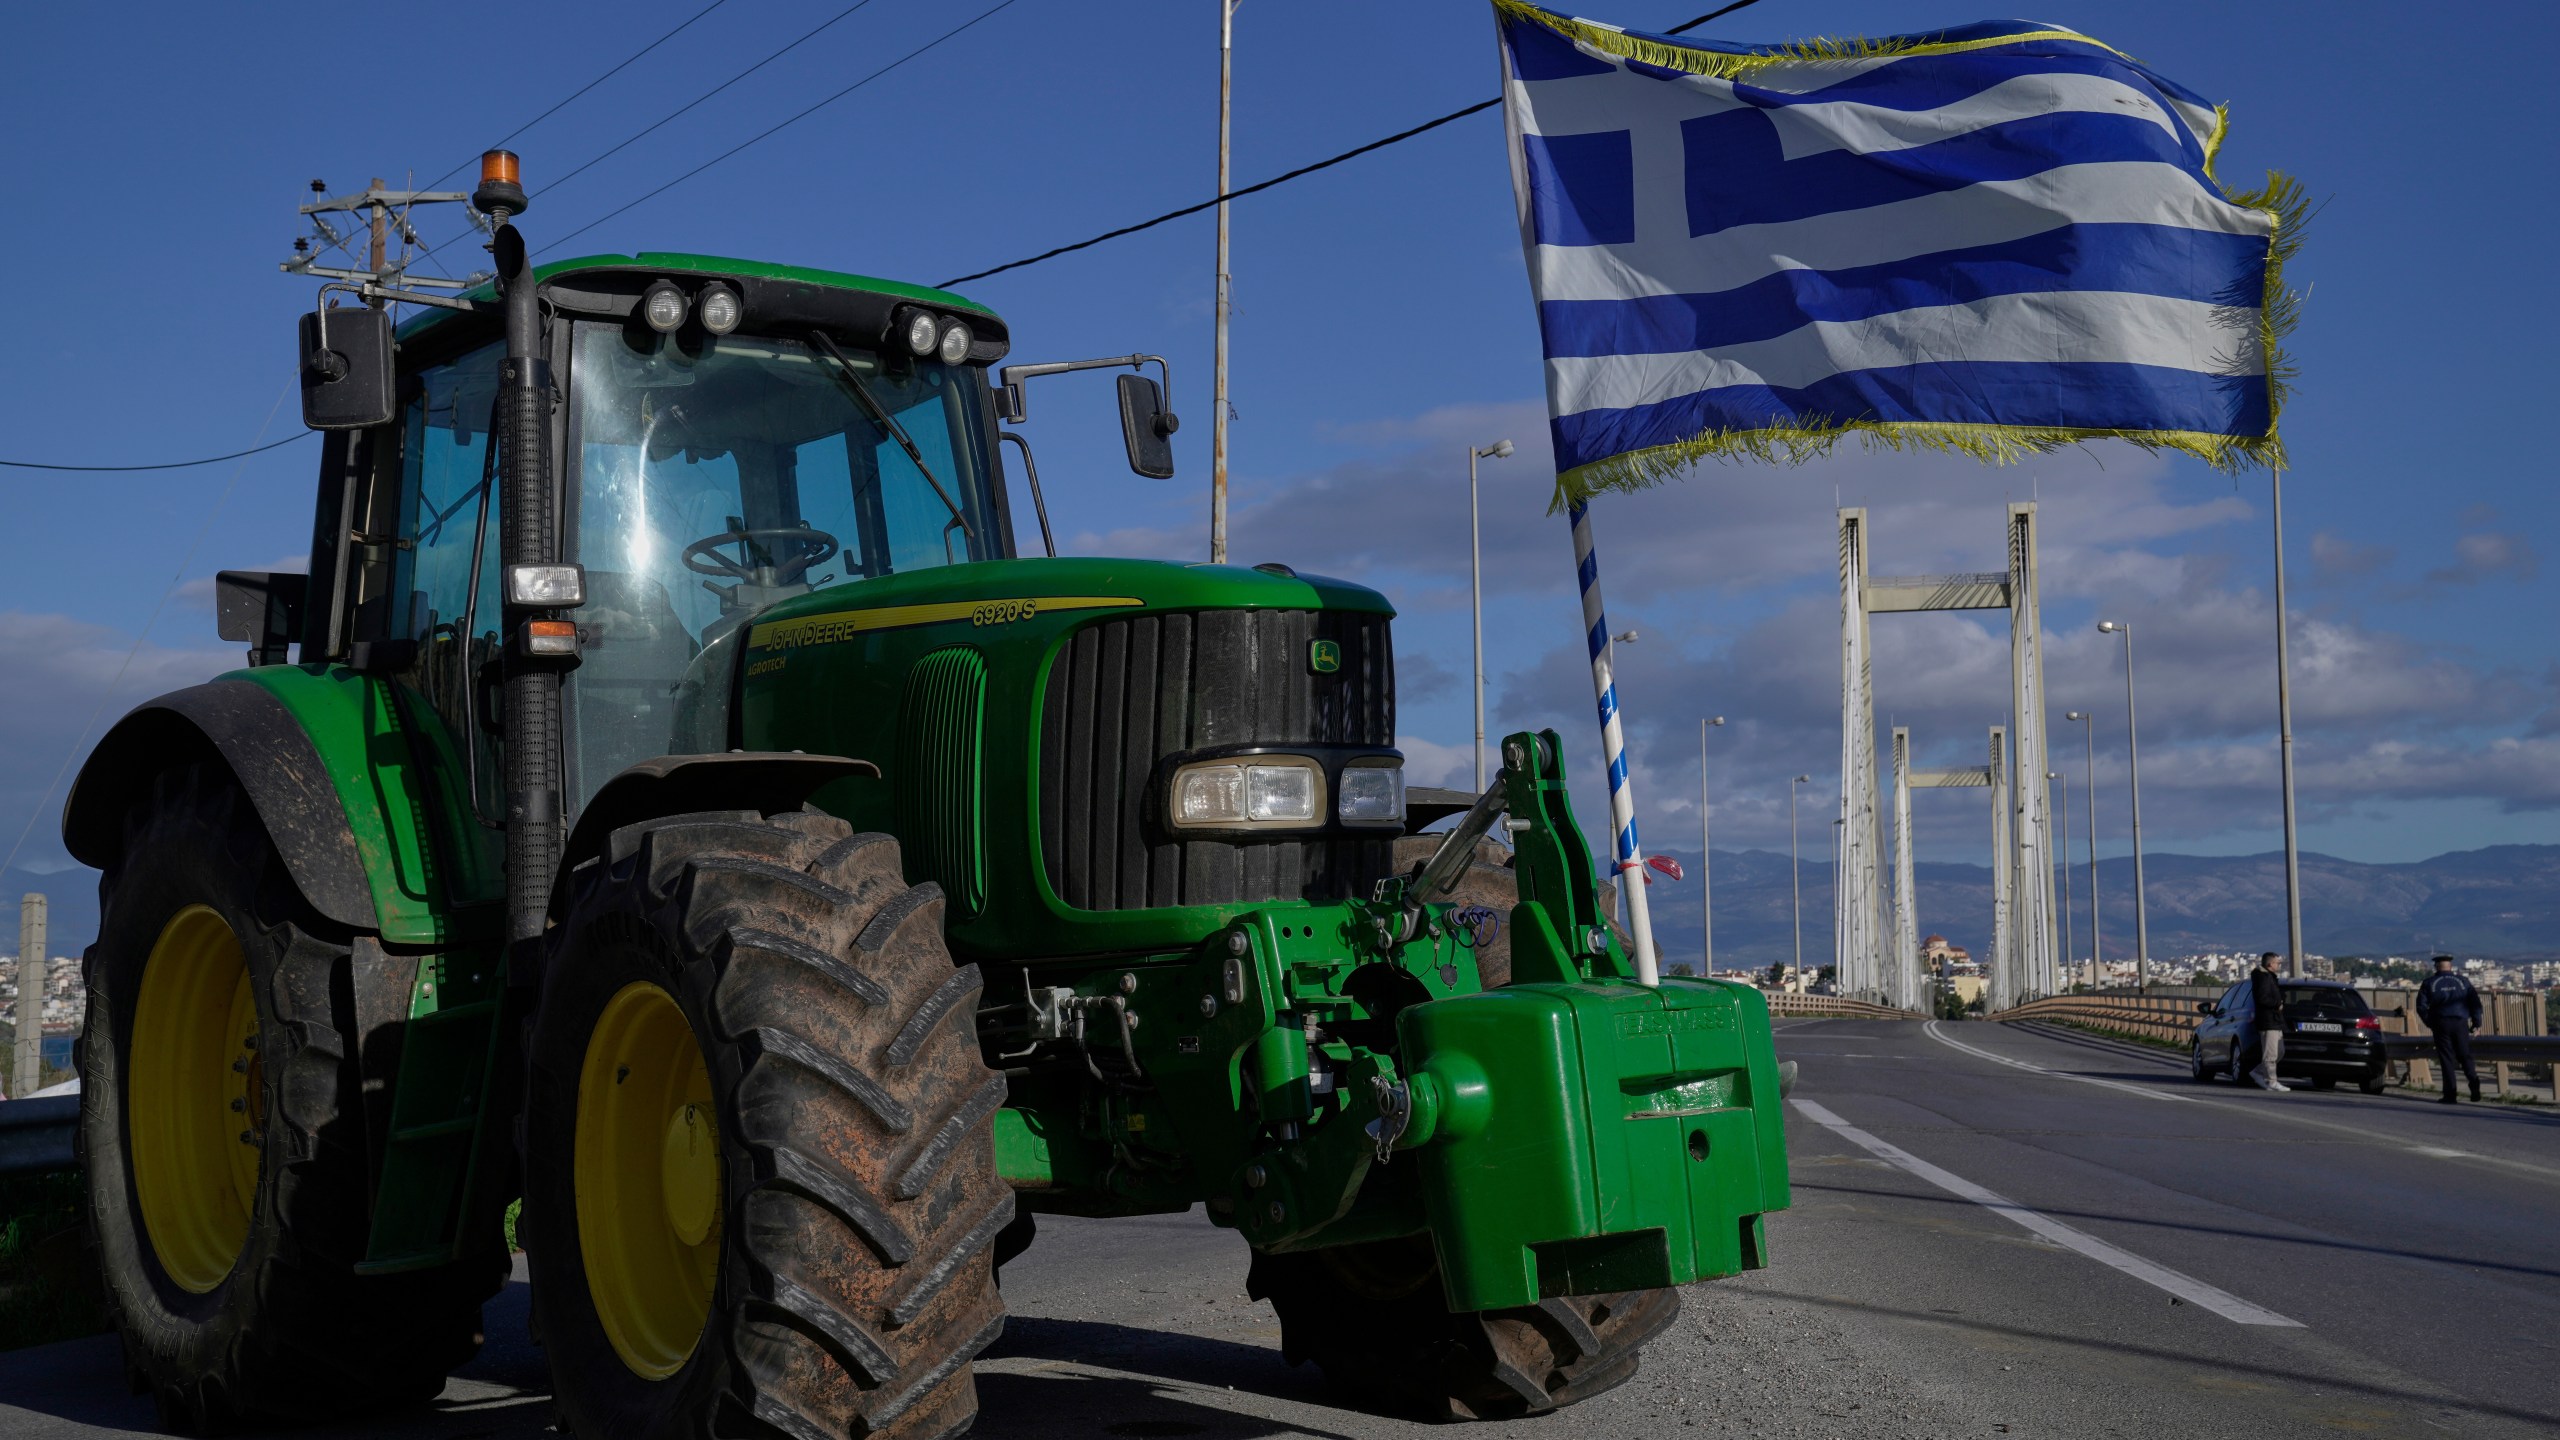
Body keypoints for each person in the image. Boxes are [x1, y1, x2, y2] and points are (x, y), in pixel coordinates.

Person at [2415, 955, 2483, 1104]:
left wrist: (2430, 1022)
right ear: (2450, 967)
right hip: (2460, 1023)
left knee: (2446, 1059)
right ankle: (2474, 1084)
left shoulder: (2429, 983)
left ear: (2436, 967)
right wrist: (2476, 1024)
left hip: (2441, 1023)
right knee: (2465, 1055)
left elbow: (2421, 1006)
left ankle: (2450, 1095)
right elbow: (2475, 1003)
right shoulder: (2463, 982)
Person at [2247, 951, 2289, 1093]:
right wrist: (2277, 1004)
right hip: (2268, 1020)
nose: (2279, 965)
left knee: (2279, 1051)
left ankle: (2257, 1072)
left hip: (2275, 1020)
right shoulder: (2263, 978)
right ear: (2270, 964)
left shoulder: (2269, 977)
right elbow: (2262, 998)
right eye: (2277, 962)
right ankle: (2271, 1081)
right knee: (2270, 1054)